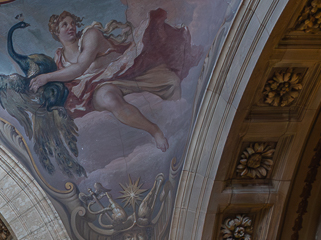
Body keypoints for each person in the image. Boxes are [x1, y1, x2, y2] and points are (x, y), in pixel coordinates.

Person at [27, 9, 199, 152]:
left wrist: (46, 77)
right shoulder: (59, 57)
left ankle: (177, 128)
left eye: (72, 23)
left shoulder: (90, 35)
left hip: (127, 72)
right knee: (109, 99)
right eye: (64, 24)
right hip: (97, 86)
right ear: (56, 32)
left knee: (171, 82)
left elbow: (80, 68)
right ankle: (154, 131)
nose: (71, 27)